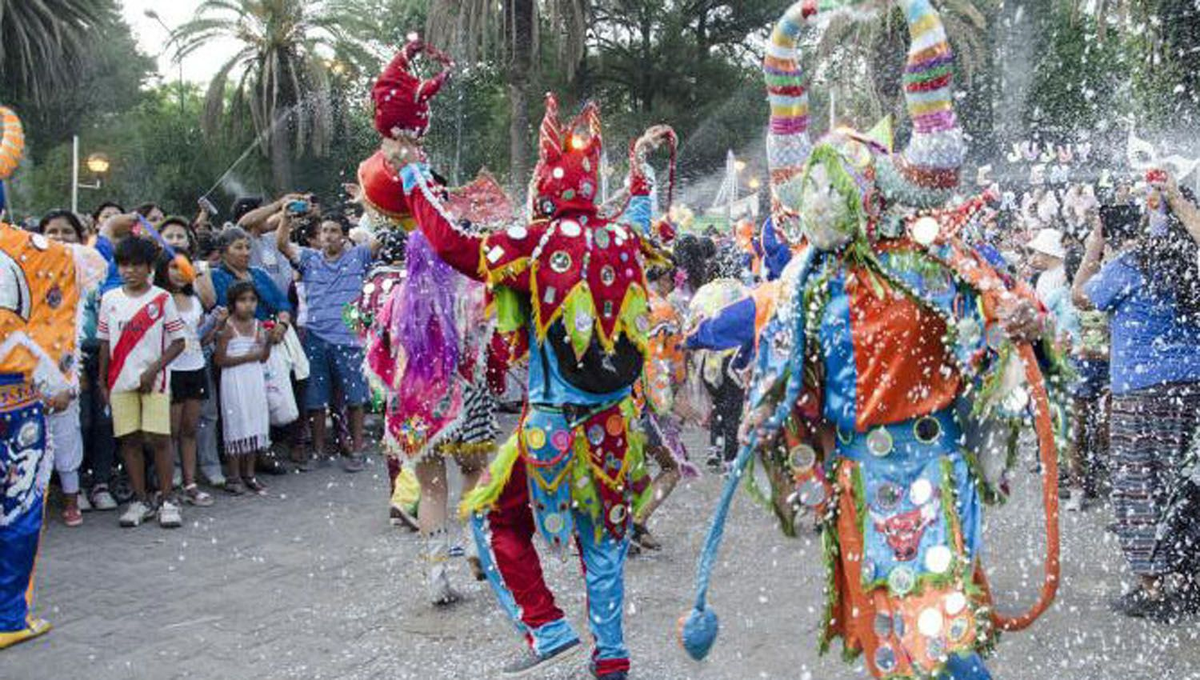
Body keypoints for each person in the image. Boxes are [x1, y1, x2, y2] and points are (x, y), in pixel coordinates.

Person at [681, 3, 1064, 679]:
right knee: (891, 641)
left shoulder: (934, 264)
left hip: (935, 470)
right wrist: (785, 443)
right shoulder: (806, 284)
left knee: (943, 636)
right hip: (857, 481)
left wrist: (1021, 325)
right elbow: (776, 363)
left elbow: (1004, 318)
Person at [381, 94, 673, 678]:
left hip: (551, 429)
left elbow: (450, 242)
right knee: (603, 542)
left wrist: (412, 173)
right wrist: (641, 163)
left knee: (492, 518)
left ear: (543, 185)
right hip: (615, 429)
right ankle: (611, 657)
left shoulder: (532, 243)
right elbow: (643, 209)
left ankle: (546, 625)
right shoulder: (624, 240)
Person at [1072, 171, 1200, 621]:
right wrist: (1179, 203)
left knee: (1139, 488)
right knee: (1186, 487)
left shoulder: (1131, 265)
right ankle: (1189, 580)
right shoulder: (1193, 266)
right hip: (1193, 392)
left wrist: (1095, 243)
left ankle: (1154, 586)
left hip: (1141, 394)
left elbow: (1080, 296)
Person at [370, 230, 497, 604]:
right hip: (464, 396)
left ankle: (437, 577)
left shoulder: (397, 296)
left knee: (430, 489)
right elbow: (489, 338)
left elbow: (378, 350)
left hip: (414, 406)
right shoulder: (469, 291)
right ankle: (474, 543)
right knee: (474, 470)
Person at [0, 185, 90, 649]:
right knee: (17, 507)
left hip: (17, 395)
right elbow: (89, 266)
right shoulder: (34, 249)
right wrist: (61, 380)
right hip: (17, 401)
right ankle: (8, 617)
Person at [276, 211, 378, 472]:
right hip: (316, 338)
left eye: (334, 231)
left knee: (356, 399)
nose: (328, 235)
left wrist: (365, 215)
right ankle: (319, 452)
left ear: (344, 236)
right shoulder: (309, 258)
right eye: (324, 230)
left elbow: (377, 241)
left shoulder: (358, 256)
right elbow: (282, 244)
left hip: (350, 340)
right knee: (315, 401)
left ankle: (357, 450)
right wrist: (286, 218)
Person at [97, 236, 187, 529]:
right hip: (119, 381)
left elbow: (179, 342)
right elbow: (104, 342)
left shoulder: (162, 299)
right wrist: (102, 380)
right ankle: (140, 500)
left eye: (136, 265)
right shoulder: (110, 299)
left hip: (155, 382)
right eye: (124, 265)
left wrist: (152, 372)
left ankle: (168, 500)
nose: (129, 271)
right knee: (129, 440)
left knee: (159, 439)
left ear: (149, 267)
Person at [36, 211, 89, 526]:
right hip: (31, 379)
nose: (58, 237)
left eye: (66, 231)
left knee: (68, 444)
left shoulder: (83, 275)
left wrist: (69, 389)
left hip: (66, 374)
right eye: (51, 231)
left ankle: (72, 502)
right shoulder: (28, 276)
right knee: (35, 448)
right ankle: (36, 507)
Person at [153, 254, 215, 508]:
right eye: (173, 267)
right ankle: (167, 487)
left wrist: (215, 324)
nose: (179, 272)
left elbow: (199, 337)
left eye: (183, 267)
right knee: (169, 432)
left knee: (189, 429)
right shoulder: (157, 299)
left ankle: (190, 484)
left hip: (196, 367)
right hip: (170, 370)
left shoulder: (195, 300)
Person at [213, 282, 272, 496]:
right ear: (233, 303)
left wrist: (268, 342)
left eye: (252, 300)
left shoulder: (258, 325)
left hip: (253, 379)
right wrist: (248, 357)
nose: (248, 305)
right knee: (236, 424)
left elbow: (263, 357)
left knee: (254, 423)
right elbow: (220, 360)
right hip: (234, 380)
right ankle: (233, 475)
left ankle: (250, 474)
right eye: (242, 300)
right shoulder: (228, 327)